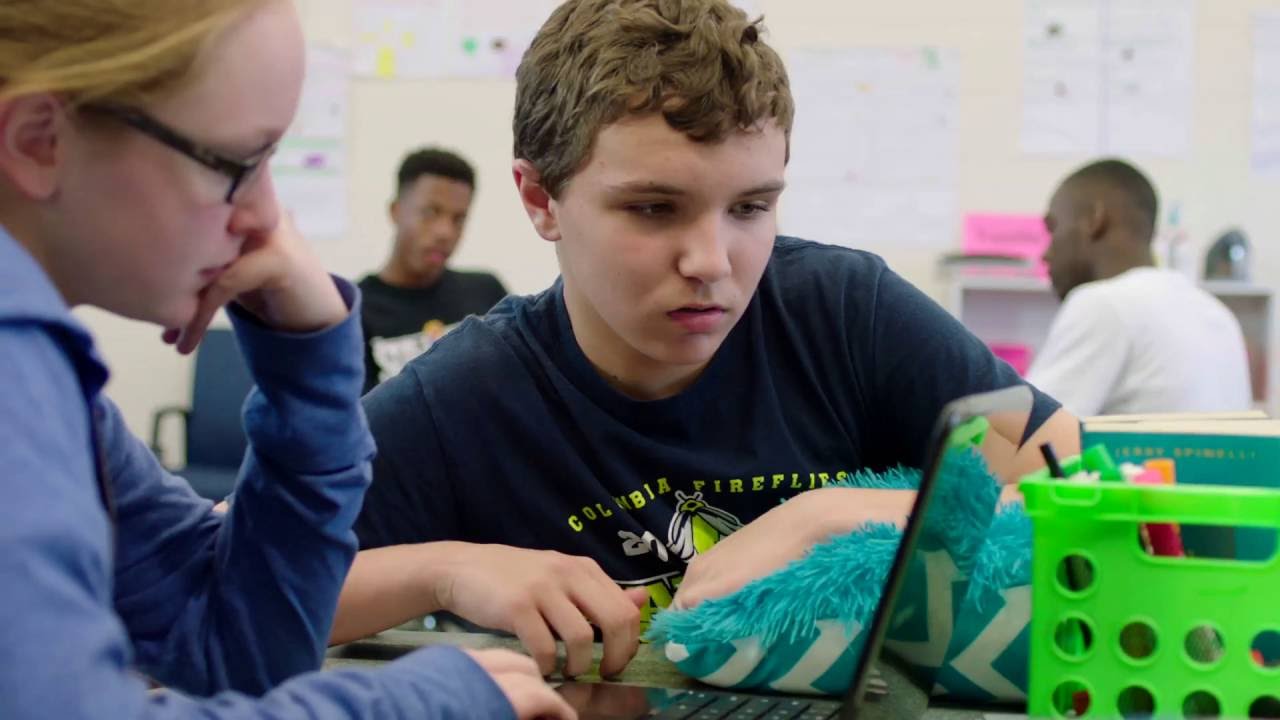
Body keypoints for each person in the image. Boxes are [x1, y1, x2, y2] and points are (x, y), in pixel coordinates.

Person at [335, 0, 1079, 678]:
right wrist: (446, 570)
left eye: (751, 207)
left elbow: (1086, 482)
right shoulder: (467, 394)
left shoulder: (845, 313)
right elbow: (239, 586)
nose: (713, 262)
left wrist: (829, 516)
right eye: (655, 208)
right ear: (541, 199)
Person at [0, 2, 571, 718]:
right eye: (237, 164)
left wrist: (309, 361)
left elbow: (231, 643)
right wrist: (422, 704)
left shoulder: (53, 386)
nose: (270, 221)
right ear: (39, 141)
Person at [1029, 158, 1252, 417]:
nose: (1046, 254)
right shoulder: (1217, 314)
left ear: (1094, 219)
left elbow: (1023, 437)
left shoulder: (1103, 303)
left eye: (1054, 228)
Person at [359, 147, 508, 393]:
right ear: (396, 211)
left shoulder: (487, 292)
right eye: (430, 213)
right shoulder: (354, 311)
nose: (445, 232)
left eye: (458, 219)